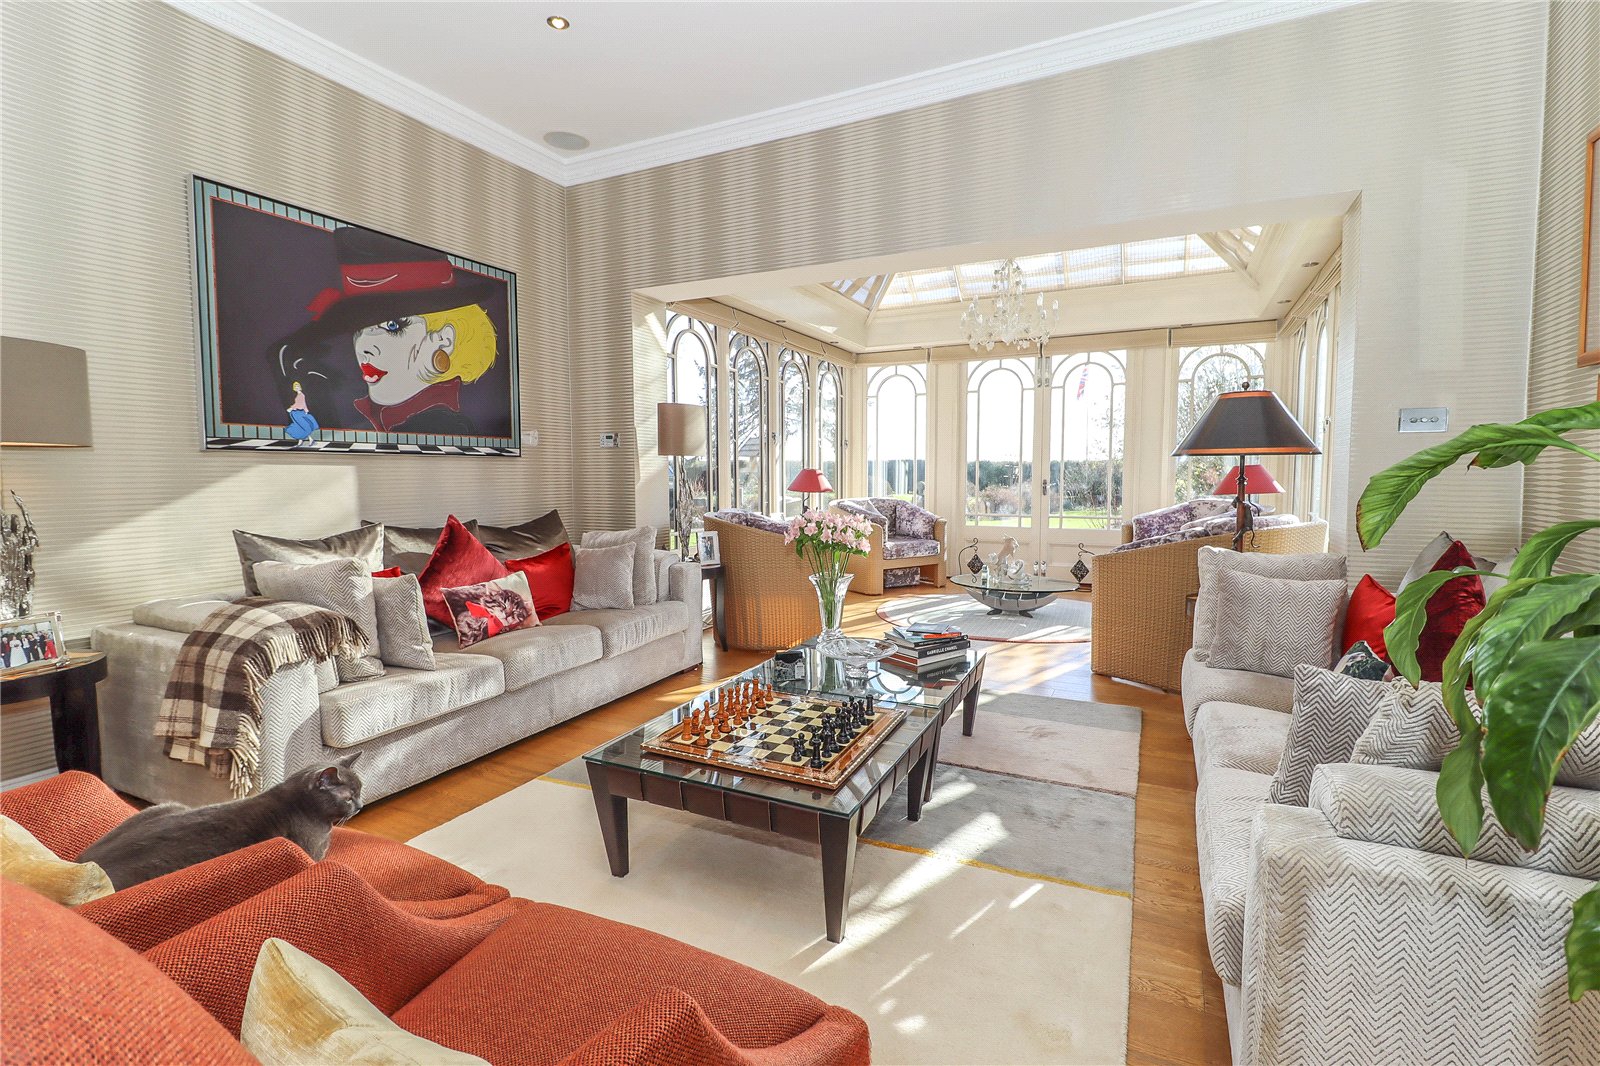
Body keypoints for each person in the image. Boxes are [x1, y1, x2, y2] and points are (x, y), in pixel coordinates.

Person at [275, 227, 499, 436]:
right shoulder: (379, 420)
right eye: (359, 328)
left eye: (392, 326)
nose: (364, 346)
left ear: (443, 340)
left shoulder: (443, 428)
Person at [285, 380, 319, 445]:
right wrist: (306, 410)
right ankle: (303, 441)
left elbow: (300, 404)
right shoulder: (299, 395)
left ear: (300, 387)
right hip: (297, 413)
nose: (296, 387)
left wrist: (291, 408)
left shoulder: (301, 395)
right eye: (295, 387)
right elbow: (303, 404)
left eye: (297, 386)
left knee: (303, 426)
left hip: (299, 413)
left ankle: (306, 440)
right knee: (300, 426)